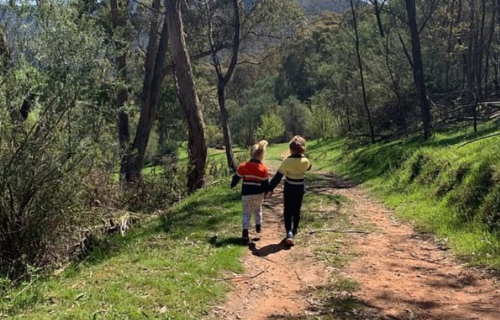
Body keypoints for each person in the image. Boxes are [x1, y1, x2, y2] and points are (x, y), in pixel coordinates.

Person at [269, 136, 312, 246]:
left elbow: (278, 177)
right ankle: (295, 228)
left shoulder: (287, 162)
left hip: (289, 188)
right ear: (303, 149)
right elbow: (308, 167)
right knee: (297, 209)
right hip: (300, 188)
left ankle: (289, 233)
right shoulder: (305, 161)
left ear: (291, 149)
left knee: (287, 210)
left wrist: (270, 188)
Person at [231, 140, 270, 243]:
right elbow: (266, 184)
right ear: (262, 155)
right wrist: (267, 192)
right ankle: (258, 226)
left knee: (246, 213)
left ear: (251, 154)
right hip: (259, 194)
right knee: (258, 209)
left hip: (246, 193)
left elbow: (236, 177)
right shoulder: (263, 169)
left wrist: (233, 184)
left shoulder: (243, 166)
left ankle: (245, 232)